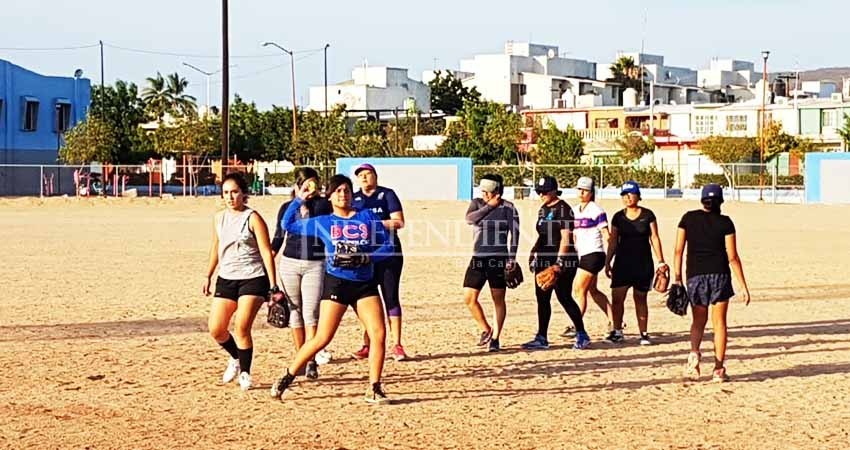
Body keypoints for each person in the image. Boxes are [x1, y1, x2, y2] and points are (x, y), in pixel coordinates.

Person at [270, 174, 394, 404]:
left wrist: (368, 257)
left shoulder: (365, 217)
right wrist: (299, 200)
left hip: (364, 284)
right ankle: (287, 376)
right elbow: (287, 225)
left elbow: (388, 245)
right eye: (338, 191)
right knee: (323, 337)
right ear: (330, 196)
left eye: (346, 190)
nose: (343, 194)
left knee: (378, 333)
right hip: (337, 282)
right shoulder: (324, 222)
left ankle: (374, 387)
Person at [202, 173, 280, 391]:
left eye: (234, 192)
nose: (230, 197)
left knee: (241, 327)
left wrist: (273, 286)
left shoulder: (253, 217)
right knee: (216, 329)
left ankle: (245, 372)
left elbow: (266, 252)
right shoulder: (219, 218)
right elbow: (216, 247)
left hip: (253, 278)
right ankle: (235, 358)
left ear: (243, 194)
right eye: (226, 192)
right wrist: (208, 275)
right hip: (227, 278)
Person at [674, 184, 751, 382]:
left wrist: (677, 278)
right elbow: (732, 256)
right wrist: (743, 286)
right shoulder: (725, 222)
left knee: (698, 321)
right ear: (720, 201)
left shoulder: (688, 218)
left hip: (695, 276)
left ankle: (694, 353)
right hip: (720, 275)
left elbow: (678, 251)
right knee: (719, 324)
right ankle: (718, 369)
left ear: (702, 200)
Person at [271, 167, 333, 379]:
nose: (310, 188)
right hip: (289, 262)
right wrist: (268, 259)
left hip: (315, 263)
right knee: (294, 311)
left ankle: (312, 358)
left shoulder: (324, 205)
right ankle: (301, 357)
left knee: (311, 312)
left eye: (313, 183)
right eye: (305, 184)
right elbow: (279, 234)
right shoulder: (288, 207)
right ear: (297, 185)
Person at [522, 176, 591, 350]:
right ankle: (542, 337)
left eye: (545, 191)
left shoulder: (564, 209)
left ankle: (582, 334)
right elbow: (542, 235)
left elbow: (565, 237)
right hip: (544, 257)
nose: (541, 194)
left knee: (564, 296)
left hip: (564, 259)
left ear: (554, 191)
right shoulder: (543, 209)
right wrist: (533, 253)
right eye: (539, 191)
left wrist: (559, 262)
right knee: (542, 298)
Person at [350, 163, 409, 361]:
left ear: (375, 176)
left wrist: (374, 224)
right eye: (360, 175)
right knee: (366, 300)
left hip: (389, 254)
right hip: (365, 256)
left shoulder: (387, 195)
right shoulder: (354, 199)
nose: (364, 178)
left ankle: (397, 344)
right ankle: (368, 343)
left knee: (390, 296)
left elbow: (399, 221)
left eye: (368, 174)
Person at [463, 174, 520, 352]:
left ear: (497, 191)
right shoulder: (477, 203)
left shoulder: (509, 207)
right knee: (469, 298)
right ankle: (487, 329)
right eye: (483, 191)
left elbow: (515, 235)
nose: (485, 195)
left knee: (498, 299)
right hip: (478, 257)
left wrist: (512, 259)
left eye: (488, 192)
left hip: (498, 258)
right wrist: (489, 207)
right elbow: (469, 219)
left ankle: (495, 338)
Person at [605, 181, 666, 345]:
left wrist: (661, 261)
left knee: (640, 298)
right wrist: (608, 261)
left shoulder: (648, 215)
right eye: (624, 194)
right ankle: (617, 331)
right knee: (617, 298)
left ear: (638, 196)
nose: (627, 197)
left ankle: (644, 333)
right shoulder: (618, 217)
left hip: (643, 263)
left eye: (631, 194)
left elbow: (654, 237)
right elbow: (612, 241)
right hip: (622, 264)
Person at [571, 176, 613, 334]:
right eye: (579, 189)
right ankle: (614, 320)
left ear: (591, 192)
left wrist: (610, 258)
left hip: (594, 253)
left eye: (585, 190)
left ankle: (576, 325)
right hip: (582, 255)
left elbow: (606, 234)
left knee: (578, 289)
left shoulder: (596, 210)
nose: (581, 192)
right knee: (593, 291)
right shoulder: (574, 211)